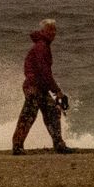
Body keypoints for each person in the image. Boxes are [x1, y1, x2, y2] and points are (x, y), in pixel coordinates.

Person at [12, 19, 71, 155]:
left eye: (54, 30)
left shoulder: (43, 45)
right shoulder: (41, 47)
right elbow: (44, 71)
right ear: (43, 31)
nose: (53, 33)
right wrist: (57, 91)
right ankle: (17, 147)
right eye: (50, 30)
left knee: (53, 112)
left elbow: (44, 72)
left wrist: (54, 89)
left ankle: (59, 144)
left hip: (39, 86)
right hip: (34, 86)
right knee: (29, 115)